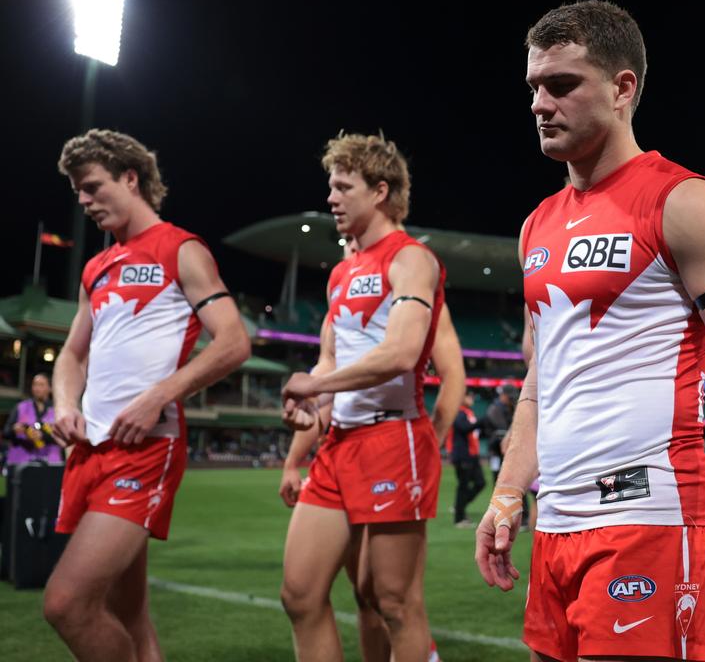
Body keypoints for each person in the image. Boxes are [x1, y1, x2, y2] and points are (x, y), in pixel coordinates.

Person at [475, 0, 705, 662]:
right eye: (534, 88)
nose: (539, 104)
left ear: (623, 87)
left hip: (648, 521)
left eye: (562, 85)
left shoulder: (685, 202)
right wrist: (508, 492)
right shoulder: (536, 226)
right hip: (557, 527)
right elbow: (540, 385)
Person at [43, 129, 251, 662]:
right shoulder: (97, 267)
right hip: (89, 451)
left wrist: (159, 394)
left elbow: (233, 341)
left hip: (146, 448)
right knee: (129, 614)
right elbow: (71, 356)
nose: (84, 202)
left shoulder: (180, 249)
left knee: (66, 604)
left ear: (130, 178)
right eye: (77, 193)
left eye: (91, 187)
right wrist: (65, 406)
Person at [279, 132, 446, 662]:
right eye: (331, 186)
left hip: (394, 438)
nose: (332, 198)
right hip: (339, 445)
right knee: (300, 593)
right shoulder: (342, 272)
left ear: (379, 191)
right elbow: (329, 358)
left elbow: (400, 352)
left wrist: (317, 384)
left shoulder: (412, 259)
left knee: (393, 601)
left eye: (342, 186)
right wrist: (312, 400)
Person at [3, 373, 63, 466]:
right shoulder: (21, 407)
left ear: (50, 388)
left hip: (49, 462)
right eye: (35, 384)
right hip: (21, 460)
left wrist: (42, 436)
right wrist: (14, 430)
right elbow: (6, 432)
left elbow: (63, 436)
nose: (37, 388)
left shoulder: (57, 410)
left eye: (41, 385)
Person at [449, 393, 486, 527]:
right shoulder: (459, 413)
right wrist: (481, 422)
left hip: (472, 455)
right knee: (463, 486)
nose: (471, 399)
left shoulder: (469, 413)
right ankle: (459, 517)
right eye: (469, 397)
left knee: (480, 483)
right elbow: (464, 428)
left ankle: (460, 506)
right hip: (463, 455)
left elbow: (473, 432)